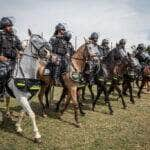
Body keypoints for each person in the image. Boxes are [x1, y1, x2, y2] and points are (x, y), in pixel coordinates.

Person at [0, 17, 23, 101]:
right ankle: (1, 92)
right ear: (3, 26)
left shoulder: (14, 37)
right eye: (8, 26)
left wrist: (20, 52)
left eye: (11, 25)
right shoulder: (0, 35)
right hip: (3, 60)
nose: (11, 27)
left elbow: (20, 47)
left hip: (14, 61)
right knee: (2, 74)